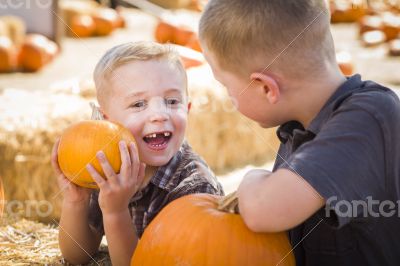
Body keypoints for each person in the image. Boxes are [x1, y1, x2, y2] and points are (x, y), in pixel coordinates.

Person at [199, 0, 400, 265]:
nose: (228, 96)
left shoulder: (368, 117)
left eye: (225, 85)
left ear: (266, 88)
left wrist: (253, 178)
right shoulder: (299, 127)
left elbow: (263, 210)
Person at [51, 41, 224, 265]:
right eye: (139, 104)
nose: (159, 114)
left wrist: (115, 213)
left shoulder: (194, 189)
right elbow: (77, 256)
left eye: (172, 101)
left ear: (187, 109)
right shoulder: (108, 170)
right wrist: (75, 201)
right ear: (106, 121)